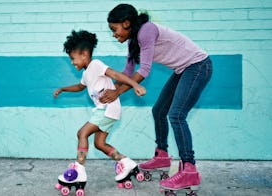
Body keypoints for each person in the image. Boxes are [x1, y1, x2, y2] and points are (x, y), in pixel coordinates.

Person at [102, 3, 213, 192]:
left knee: (176, 115)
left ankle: (189, 169)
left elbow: (144, 70)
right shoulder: (133, 41)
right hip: (183, 70)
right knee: (159, 110)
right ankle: (162, 156)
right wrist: (107, 88)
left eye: (114, 29)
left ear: (127, 23)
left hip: (198, 66)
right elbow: (128, 72)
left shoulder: (146, 31)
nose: (113, 34)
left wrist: (117, 92)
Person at [53, 30, 146, 193]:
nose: (73, 63)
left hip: (107, 109)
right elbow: (80, 87)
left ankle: (79, 170)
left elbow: (115, 74)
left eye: (73, 58)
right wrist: (63, 89)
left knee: (82, 133)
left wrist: (135, 85)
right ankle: (127, 163)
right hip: (107, 110)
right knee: (99, 144)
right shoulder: (86, 72)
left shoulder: (96, 65)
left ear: (84, 54)